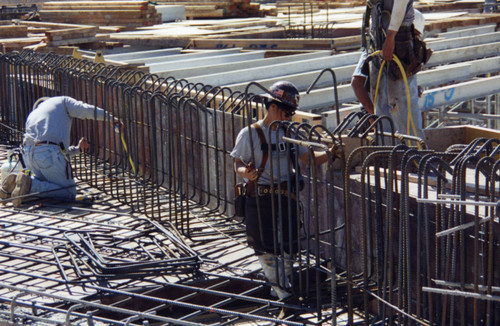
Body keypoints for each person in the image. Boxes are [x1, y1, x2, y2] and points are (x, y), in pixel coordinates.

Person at [231, 81, 331, 300]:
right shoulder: (250, 134)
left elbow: (310, 159)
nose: (290, 115)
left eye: (292, 111)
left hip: (286, 195)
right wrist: (246, 173)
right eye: (287, 110)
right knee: (265, 247)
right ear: (273, 106)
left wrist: (334, 153)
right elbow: (237, 163)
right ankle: (284, 295)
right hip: (260, 196)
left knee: (290, 246)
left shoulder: (289, 133)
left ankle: (282, 286)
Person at [0, 96, 116, 207]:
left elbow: (54, 151)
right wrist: (109, 117)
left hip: (28, 154)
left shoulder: (33, 115)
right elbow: (85, 109)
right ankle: (30, 185)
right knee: (68, 192)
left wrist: (78, 149)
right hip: (47, 155)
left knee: (47, 184)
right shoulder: (63, 102)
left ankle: (16, 183)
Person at [351, 2, 430, 141]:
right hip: (373, 114)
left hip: (388, 114)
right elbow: (356, 83)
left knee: (404, 120)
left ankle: (412, 157)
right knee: (393, 119)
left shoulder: (393, 47)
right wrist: (391, 37)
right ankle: (394, 156)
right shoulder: (375, 50)